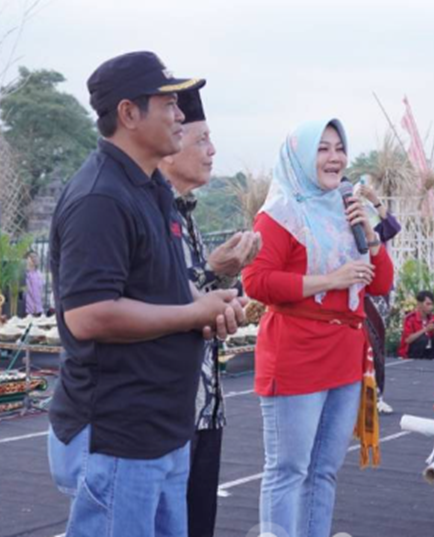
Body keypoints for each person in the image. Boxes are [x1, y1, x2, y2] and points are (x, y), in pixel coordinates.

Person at [45, 51, 246, 537]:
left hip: (163, 429)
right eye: (168, 104)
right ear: (129, 114)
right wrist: (189, 313)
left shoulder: (153, 190)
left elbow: (167, 294)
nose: (180, 115)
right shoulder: (101, 196)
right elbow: (89, 316)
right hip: (119, 433)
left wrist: (210, 307)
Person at [243, 119, 394, 537]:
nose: (335, 158)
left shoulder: (346, 209)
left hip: (344, 353)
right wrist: (330, 281)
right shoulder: (280, 213)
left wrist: (373, 237)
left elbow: (379, 284)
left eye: (340, 148)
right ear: (301, 157)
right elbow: (256, 282)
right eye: (323, 149)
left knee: (325, 470)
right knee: (289, 469)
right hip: (296, 353)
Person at [158, 86, 261, 537]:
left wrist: (224, 284)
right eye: (201, 139)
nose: (212, 150)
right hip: (165, 409)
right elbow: (159, 303)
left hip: (206, 405)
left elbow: (194, 296)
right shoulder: (145, 210)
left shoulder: (186, 211)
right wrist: (212, 272)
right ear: (169, 145)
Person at [353, 179, 400, 414]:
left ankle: (377, 393)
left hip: (377, 291)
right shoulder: (345, 226)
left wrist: (373, 199)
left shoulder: (374, 224)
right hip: (354, 289)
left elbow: (393, 227)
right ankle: (357, 394)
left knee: (376, 342)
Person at [398, 290, 434, 359]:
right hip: (411, 352)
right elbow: (407, 340)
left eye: (432, 304)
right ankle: (414, 360)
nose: (431, 307)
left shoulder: (432, 318)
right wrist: (425, 329)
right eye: (428, 304)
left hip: (426, 350)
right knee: (422, 339)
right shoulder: (410, 318)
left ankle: (429, 359)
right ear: (419, 304)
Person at [24, 252, 45, 316]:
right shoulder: (29, 274)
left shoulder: (36, 275)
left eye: (29, 261)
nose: (27, 262)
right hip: (30, 306)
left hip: (34, 308)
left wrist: (36, 306)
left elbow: (36, 293)